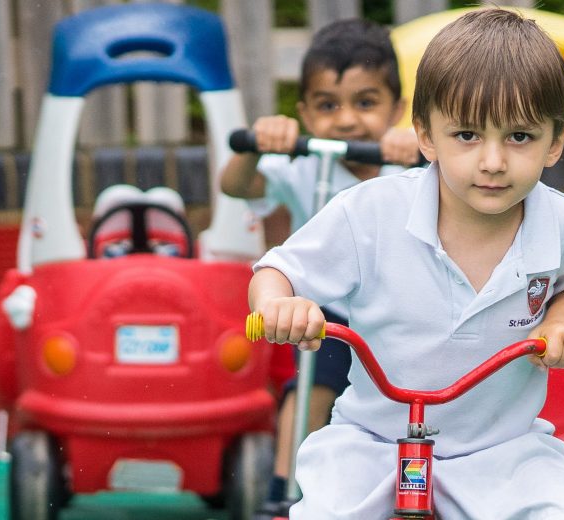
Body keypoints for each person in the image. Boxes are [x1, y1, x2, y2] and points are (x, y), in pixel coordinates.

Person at [247, 8, 564, 519]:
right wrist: (280, 305)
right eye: (467, 135)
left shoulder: (561, 222)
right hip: (372, 440)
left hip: (503, 449)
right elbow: (275, 270)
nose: (492, 161)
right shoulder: (371, 212)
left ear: (556, 141)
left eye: (519, 137)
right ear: (425, 135)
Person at [217, 18, 420, 514]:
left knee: (412, 401)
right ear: (305, 113)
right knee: (309, 385)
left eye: (365, 103)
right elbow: (235, 187)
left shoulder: (412, 166)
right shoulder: (308, 161)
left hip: (402, 315)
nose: (347, 120)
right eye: (328, 106)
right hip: (329, 315)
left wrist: (416, 150)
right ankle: (283, 493)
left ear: (397, 109)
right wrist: (259, 143)